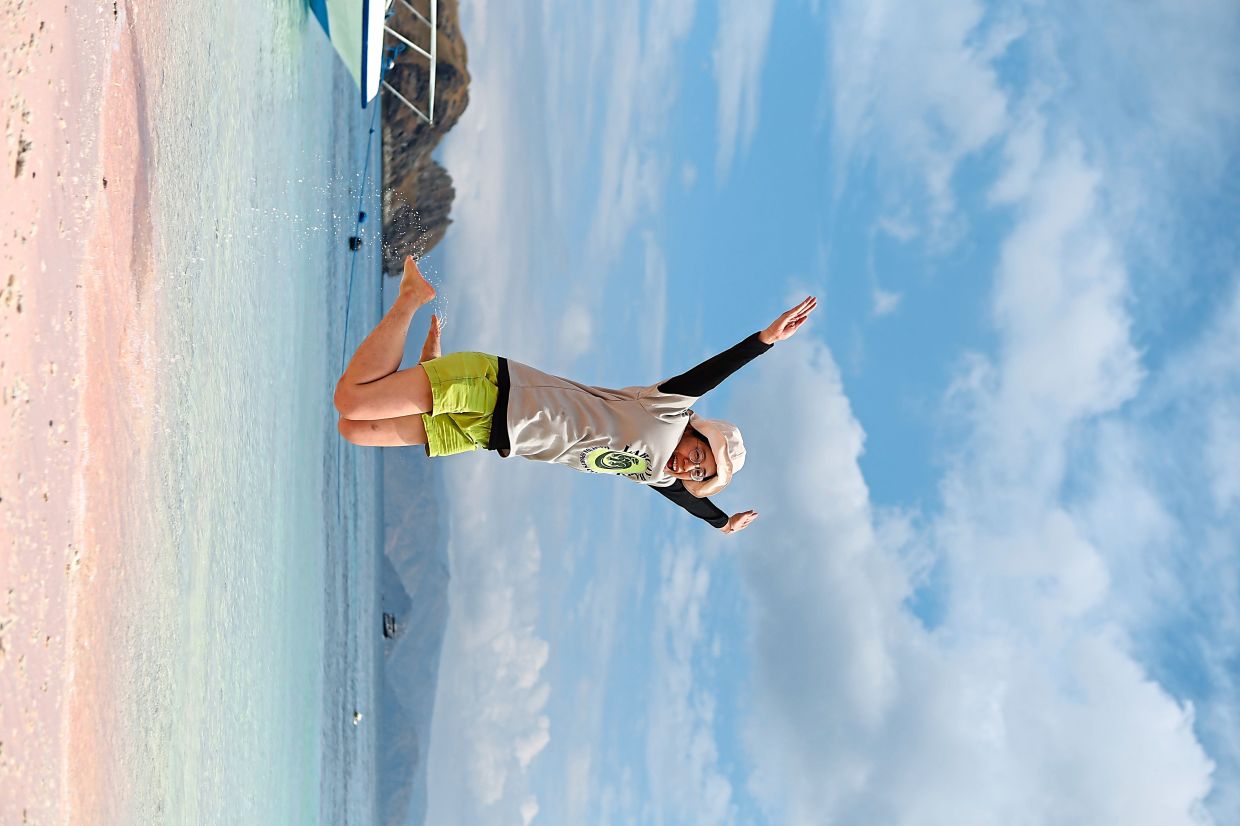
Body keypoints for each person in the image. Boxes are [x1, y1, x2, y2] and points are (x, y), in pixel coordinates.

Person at [334, 256, 817, 533]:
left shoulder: (653, 473)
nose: (689, 467)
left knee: (353, 430)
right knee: (351, 401)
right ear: (696, 430)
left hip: (485, 434)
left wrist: (719, 521)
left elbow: (689, 501)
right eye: (698, 455)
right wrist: (763, 341)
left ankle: (427, 372)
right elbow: (709, 374)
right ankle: (411, 298)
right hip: (494, 389)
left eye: (700, 472)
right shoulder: (668, 411)